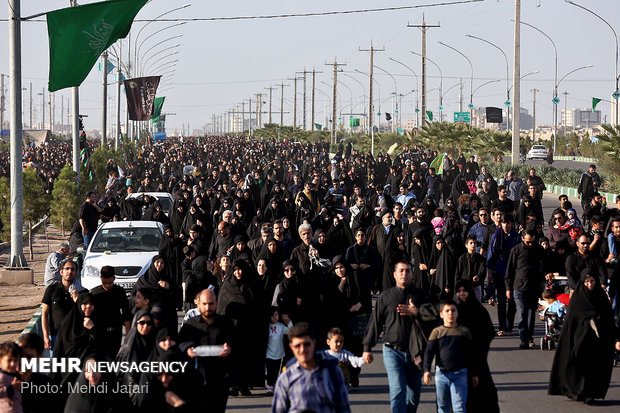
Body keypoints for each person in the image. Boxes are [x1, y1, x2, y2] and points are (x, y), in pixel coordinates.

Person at [362, 260, 438, 413]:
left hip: (415, 353)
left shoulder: (421, 295)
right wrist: (367, 348)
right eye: (401, 271)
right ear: (394, 274)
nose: (404, 274)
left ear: (412, 274)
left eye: (408, 271)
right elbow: (375, 322)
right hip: (392, 351)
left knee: (413, 395)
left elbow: (437, 314)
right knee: (397, 391)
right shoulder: (386, 296)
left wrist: (417, 312)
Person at [548, 268, 615, 405]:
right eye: (587, 281)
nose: (590, 284)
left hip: (597, 340)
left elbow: (609, 318)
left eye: (592, 281)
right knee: (580, 365)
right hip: (580, 339)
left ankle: (590, 393)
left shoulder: (601, 297)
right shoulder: (578, 298)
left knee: (594, 367)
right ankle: (578, 391)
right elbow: (572, 321)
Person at [271, 322, 350, 413]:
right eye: (297, 346)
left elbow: (343, 408)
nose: (302, 350)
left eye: (306, 344)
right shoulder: (286, 378)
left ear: (314, 343)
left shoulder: (332, 372)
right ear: (291, 347)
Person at [178, 289, 234, 412]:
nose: (207, 307)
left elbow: (237, 343)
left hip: (219, 379)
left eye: (211, 303)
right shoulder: (190, 325)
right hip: (195, 380)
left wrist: (229, 348)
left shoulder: (226, 323)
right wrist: (188, 350)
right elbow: (179, 345)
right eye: (204, 304)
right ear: (198, 304)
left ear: (217, 303)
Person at [423, 299, 477, 413]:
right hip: (442, 374)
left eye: (453, 310)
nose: (450, 313)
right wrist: (426, 370)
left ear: (458, 313)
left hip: (460, 374)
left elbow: (471, 354)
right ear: (441, 314)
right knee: (443, 407)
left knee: (459, 407)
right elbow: (429, 352)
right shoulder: (437, 332)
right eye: (447, 311)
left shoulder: (464, 331)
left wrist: (474, 373)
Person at [505, 231, 545, 349]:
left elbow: (544, 265)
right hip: (519, 287)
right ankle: (523, 339)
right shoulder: (516, 250)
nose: (531, 244)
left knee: (531, 313)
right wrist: (508, 288)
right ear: (522, 239)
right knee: (522, 312)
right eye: (528, 242)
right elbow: (510, 270)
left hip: (534, 287)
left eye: (533, 242)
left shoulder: (538, 250)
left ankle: (529, 337)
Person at [90, 265, 132, 359]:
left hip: (115, 332)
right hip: (99, 333)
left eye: (110, 282)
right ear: (100, 278)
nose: (108, 285)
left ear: (114, 278)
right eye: (105, 283)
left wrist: (128, 336)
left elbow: (126, 314)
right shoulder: (94, 293)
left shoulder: (119, 292)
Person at [41, 259, 83, 351]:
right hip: (56, 336)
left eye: (72, 269)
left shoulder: (82, 292)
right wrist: (46, 336)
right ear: (61, 272)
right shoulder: (52, 289)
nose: (69, 272)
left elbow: (86, 313)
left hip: (75, 337)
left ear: (76, 272)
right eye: (67, 269)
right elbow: (44, 313)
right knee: (57, 365)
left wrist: (78, 299)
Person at [265, 308, 292, 397]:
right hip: (269, 353)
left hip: (279, 353)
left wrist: (289, 322)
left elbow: (290, 331)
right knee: (269, 370)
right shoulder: (266, 326)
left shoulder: (281, 326)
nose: (274, 317)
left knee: (276, 370)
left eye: (276, 315)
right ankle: (269, 386)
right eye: (272, 316)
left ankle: (274, 384)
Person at [0, 342, 23, 413]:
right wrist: (12, 388)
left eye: (15, 361)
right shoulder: (2, 377)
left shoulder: (13, 375)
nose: (13, 364)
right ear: (0, 360)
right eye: (9, 360)